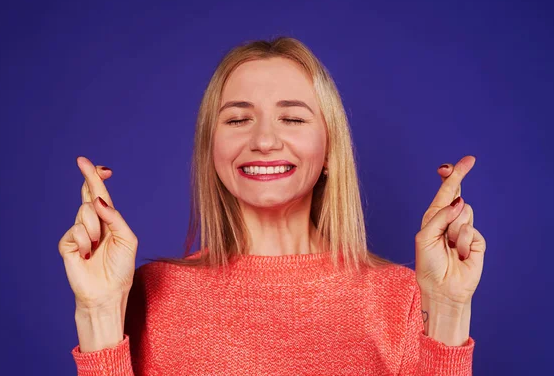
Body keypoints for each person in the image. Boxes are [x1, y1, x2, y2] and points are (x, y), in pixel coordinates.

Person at [59, 37, 486, 375]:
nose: (263, 140)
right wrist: (98, 311)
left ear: (330, 148)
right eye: (238, 119)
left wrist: (449, 308)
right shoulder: (150, 295)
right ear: (212, 149)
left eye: (293, 118)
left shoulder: (402, 297)